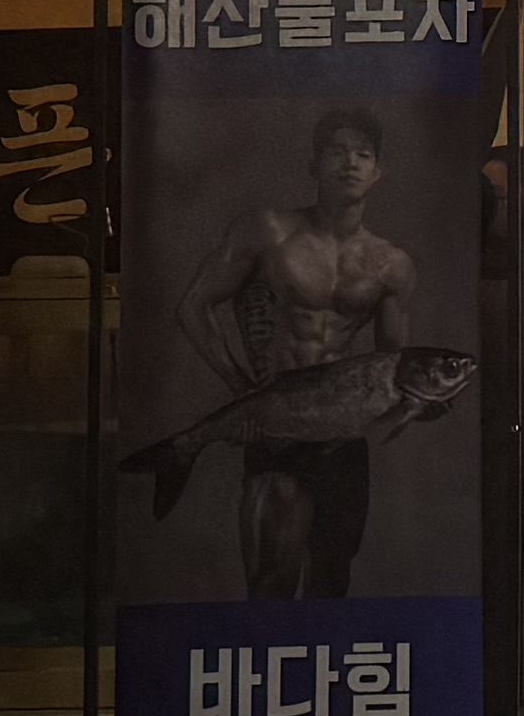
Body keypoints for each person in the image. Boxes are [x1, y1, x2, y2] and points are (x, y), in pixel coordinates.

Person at [173, 104, 422, 598]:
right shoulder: (267, 231)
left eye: (363, 154)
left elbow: (394, 365)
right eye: (336, 151)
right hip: (277, 434)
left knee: (331, 584)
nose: (349, 162)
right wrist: (244, 393)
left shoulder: (391, 265)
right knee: (271, 582)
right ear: (313, 164)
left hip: (341, 440)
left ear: (378, 171)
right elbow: (192, 307)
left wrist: (421, 400)